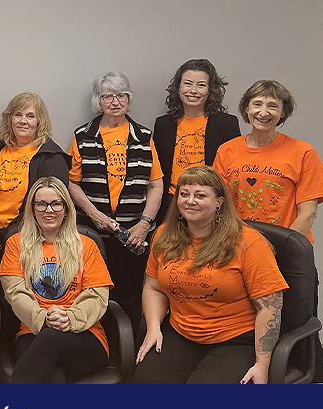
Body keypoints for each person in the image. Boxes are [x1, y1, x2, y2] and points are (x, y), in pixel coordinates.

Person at [212, 80, 323, 381]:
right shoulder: (227, 150)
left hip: (289, 257)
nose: (264, 112)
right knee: (251, 323)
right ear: (246, 109)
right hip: (237, 253)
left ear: (283, 113)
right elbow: (218, 205)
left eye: (273, 106)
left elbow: (308, 212)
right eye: (257, 104)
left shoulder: (303, 152)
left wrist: (277, 250)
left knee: (294, 327)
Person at [135, 166, 287, 384]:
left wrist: (262, 364)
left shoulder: (249, 242)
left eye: (200, 195)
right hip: (182, 333)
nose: (190, 201)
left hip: (236, 340)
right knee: (146, 383)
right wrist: (153, 329)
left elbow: (270, 307)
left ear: (219, 202)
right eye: (184, 194)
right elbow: (153, 287)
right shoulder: (163, 235)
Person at [68, 71, 164, 332]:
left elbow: (156, 184)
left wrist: (144, 224)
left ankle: (128, 355)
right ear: (98, 101)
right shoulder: (82, 136)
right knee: (88, 294)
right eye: (107, 96)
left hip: (132, 236)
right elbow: (72, 183)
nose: (114, 101)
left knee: (130, 296)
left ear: (129, 100)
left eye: (121, 95)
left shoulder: (143, 137)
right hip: (92, 235)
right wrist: (95, 215)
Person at [0, 177, 112, 383]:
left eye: (56, 203)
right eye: (41, 204)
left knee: (50, 340)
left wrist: (70, 318)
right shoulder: (16, 244)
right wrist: (44, 319)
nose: (49, 210)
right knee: (53, 377)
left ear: (66, 209)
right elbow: (15, 292)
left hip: (84, 335)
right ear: (32, 209)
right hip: (33, 331)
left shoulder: (87, 245)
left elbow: (97, 295)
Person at [0, 91, 69, 289]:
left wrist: (6, 235)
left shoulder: (50, 157)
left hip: (29, 244)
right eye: (18, 114)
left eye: (30, 116)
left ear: (40, 121)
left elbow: (48, 208)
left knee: (26, 299)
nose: (23, 121)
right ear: (9, 119)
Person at [153, 59, 241, 223]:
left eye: (201, 85)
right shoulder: (163, 124)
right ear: (178, 87)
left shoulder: (227, 124)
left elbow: (234, 171)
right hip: (171, 205)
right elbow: (156, 173)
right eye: (187, 84)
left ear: (210, 90)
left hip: (211, 206)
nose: (193, 90)